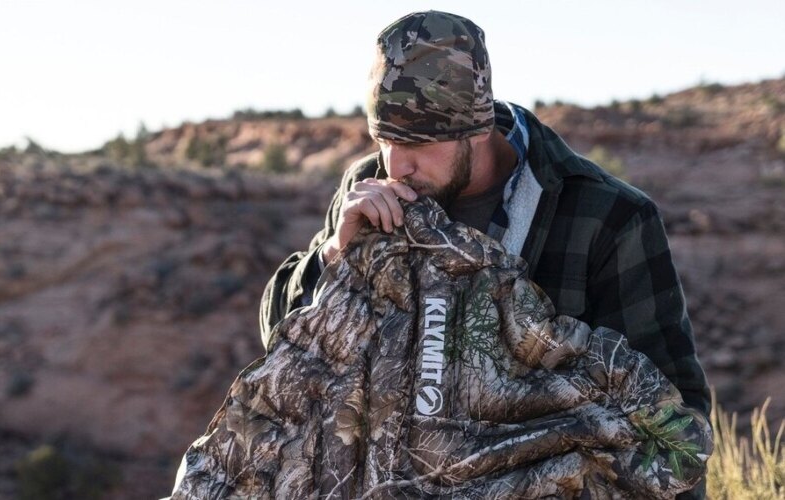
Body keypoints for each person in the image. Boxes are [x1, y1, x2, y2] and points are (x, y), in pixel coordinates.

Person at [258, 10, 710, 498]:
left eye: (418, 143)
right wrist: (334, 255)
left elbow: (675, 432)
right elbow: (282, 345)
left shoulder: (606, 217)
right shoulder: (368, 187)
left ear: (475, 127)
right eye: (384, 139)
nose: (397, 164)